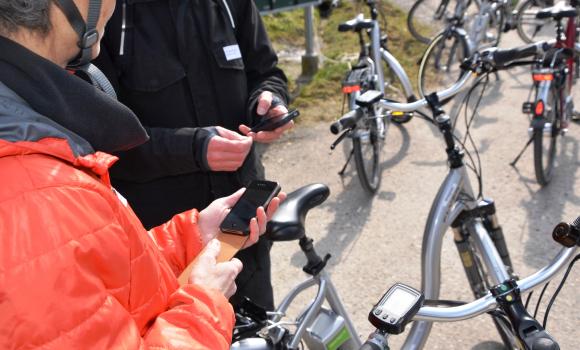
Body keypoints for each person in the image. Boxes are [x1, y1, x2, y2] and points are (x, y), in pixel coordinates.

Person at [0, 0, 283, 348]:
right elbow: (112, 150)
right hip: (181, 262)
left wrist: (188, 237)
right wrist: (204, 302)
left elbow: (98, 266)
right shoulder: (35, 193)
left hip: (222, 240)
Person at [93, 0, 292, 309]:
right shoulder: (104, 13)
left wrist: (269, 100)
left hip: (242, 225)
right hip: (162, 243)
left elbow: (266, 72)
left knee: (260, 334)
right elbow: (99, 141)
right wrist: (194, 149)